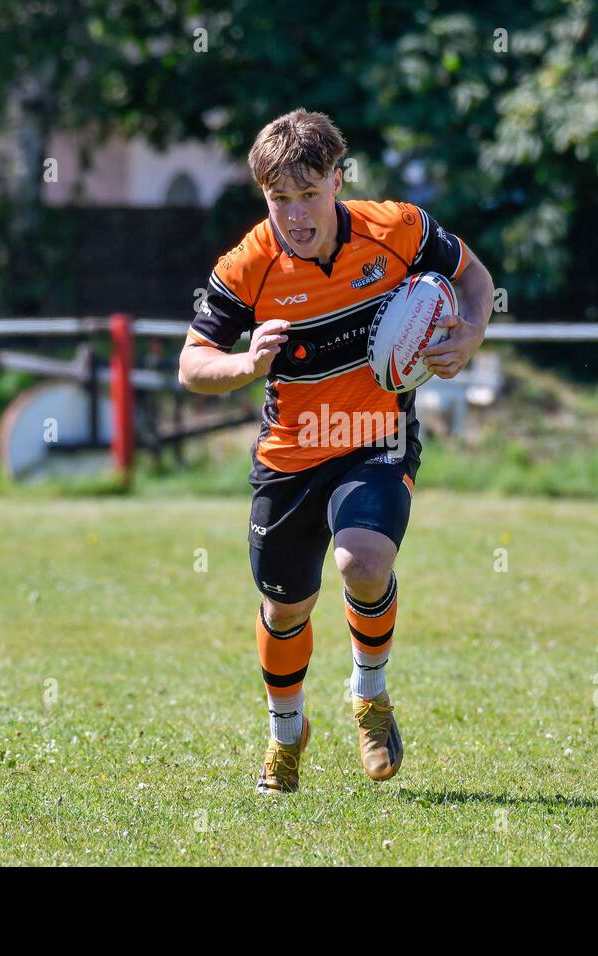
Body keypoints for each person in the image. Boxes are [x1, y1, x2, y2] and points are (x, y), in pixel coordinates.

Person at [178, 108, 495, 794]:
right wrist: (243, 366)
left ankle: (369, 695)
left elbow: (476, 279)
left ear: (337, 180)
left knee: (362, 559)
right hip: (290, 456)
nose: (294, 214)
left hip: (376, 438)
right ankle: (286, 735)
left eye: (308, 194)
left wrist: (468, 337)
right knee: (285, 606)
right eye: (278, 199)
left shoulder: (397, 229)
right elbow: (191, 364)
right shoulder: (248, 264)